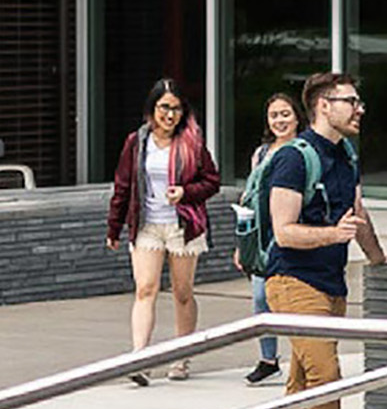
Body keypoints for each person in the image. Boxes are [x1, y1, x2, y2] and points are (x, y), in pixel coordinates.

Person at [263, 71, 386, 409]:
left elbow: (357, 212)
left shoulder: (346, 154)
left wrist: (379, 260)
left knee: (302, 380)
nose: (359, 109)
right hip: (293, 281)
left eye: (358, 101)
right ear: (323, 106)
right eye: (350, 101)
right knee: (326, 375)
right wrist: (334, 235)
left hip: (332, 283)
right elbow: (284, 232)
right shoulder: (294, 160)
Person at [105, 78, 222, 385]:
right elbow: (123, 185)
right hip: (147, 225)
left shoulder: (192, 142)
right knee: (145, 289)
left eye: (176, 109)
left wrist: (185, 191)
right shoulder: (136, 142)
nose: (170, 115)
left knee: (183, 293)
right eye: (164, 108)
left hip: (183, 225)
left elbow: (212, 181)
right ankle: (140, 357)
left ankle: (181, 357)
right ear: (152, 108)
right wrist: (114, 226)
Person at [235, 92, 301, 387]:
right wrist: (243, 245)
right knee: (261, 298)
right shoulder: (261, 154)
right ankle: (268, 359)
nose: (279, 120)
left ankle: (302, 357)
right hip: (261, 236)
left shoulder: (303, 150)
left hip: (290, 233)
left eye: (285, 114)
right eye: (274, 115)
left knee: (290, 299)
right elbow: (249, 197)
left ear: (297, 116)